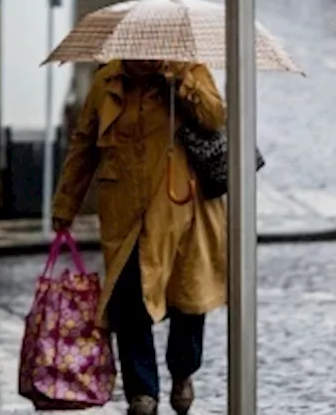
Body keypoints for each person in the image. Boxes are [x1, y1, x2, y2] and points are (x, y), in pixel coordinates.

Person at [51, 59, 227, 415]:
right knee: (127, 301)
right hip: (126, 214)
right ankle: (142, 393)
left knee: (187, 301)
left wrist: (182, 83)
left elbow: (215, 117)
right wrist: (65, 204)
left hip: (183, 210)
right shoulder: (107, 81)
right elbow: (84, 144)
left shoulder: (189, 72)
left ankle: (182, 371)